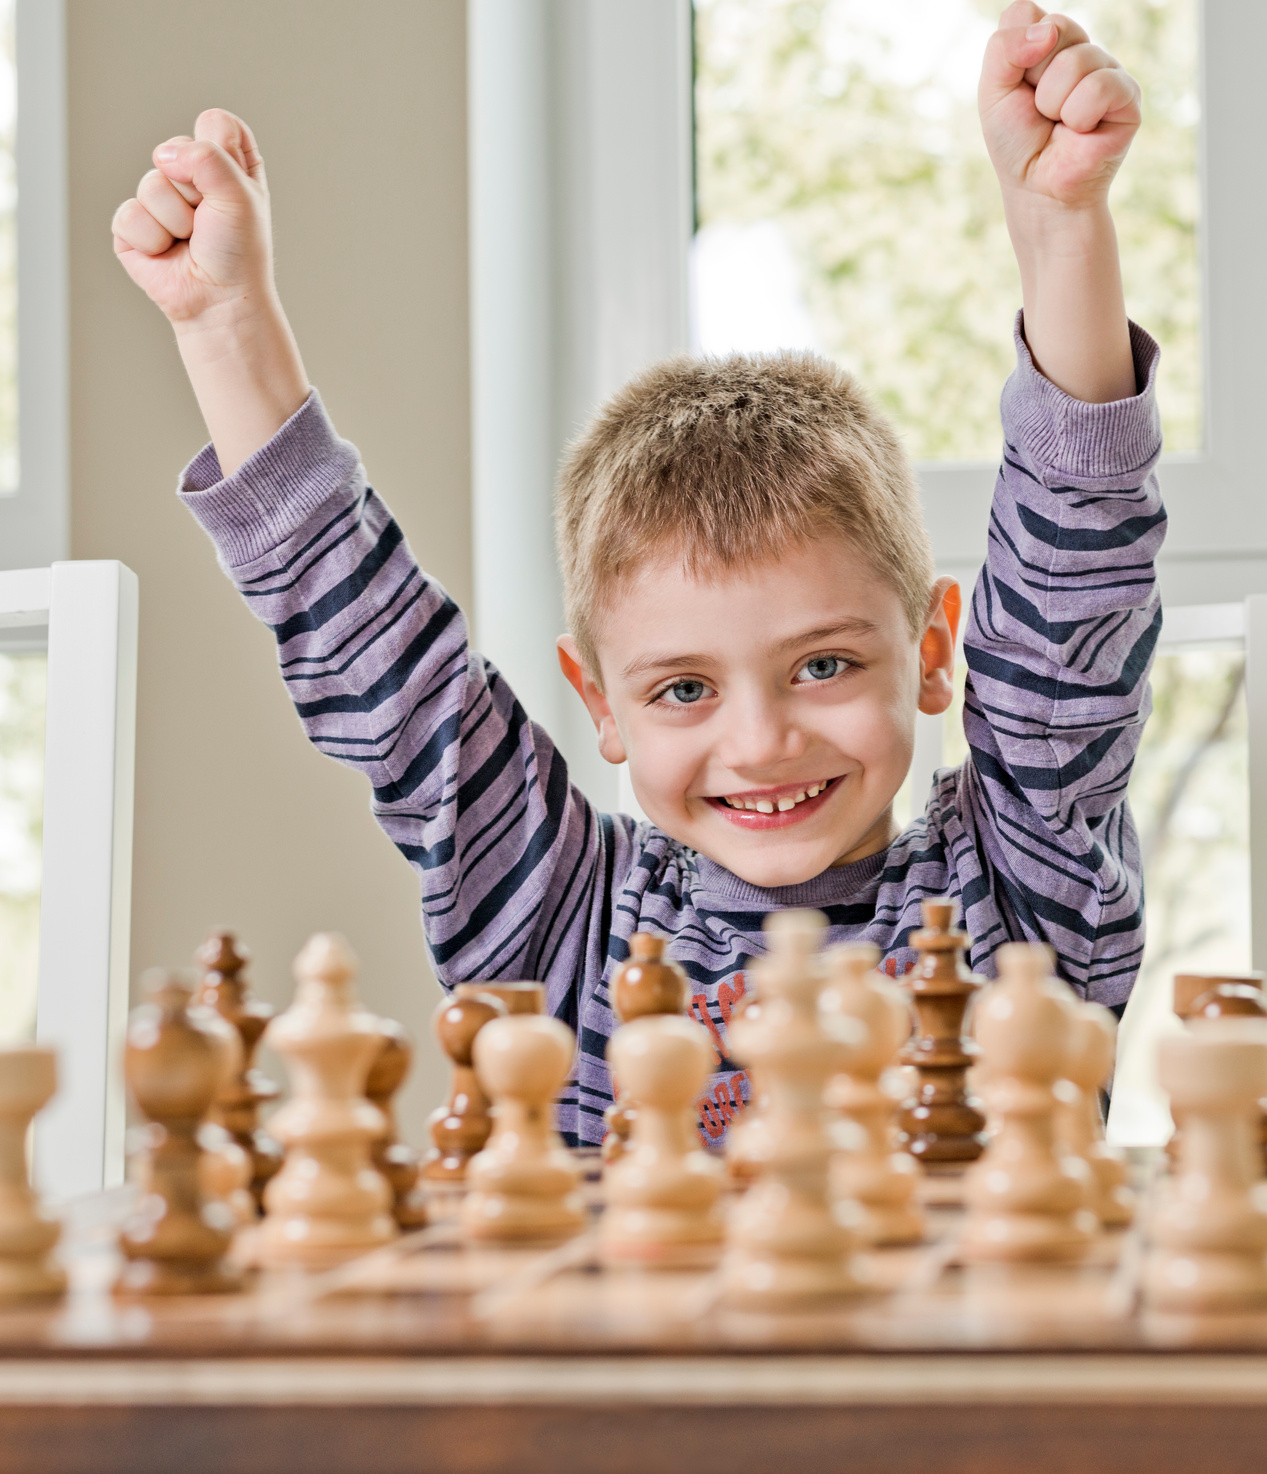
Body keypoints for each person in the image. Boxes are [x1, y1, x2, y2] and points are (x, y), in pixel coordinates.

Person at [111, 2, 1163, 1148]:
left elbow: (1070, 613)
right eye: (682, 688)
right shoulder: (566, 914)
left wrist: (1060, 230)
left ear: (930, 648)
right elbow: (391, 675)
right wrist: (225, 326)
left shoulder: (1016, 889)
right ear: (600, 702)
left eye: (822, 662)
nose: (761, 741)